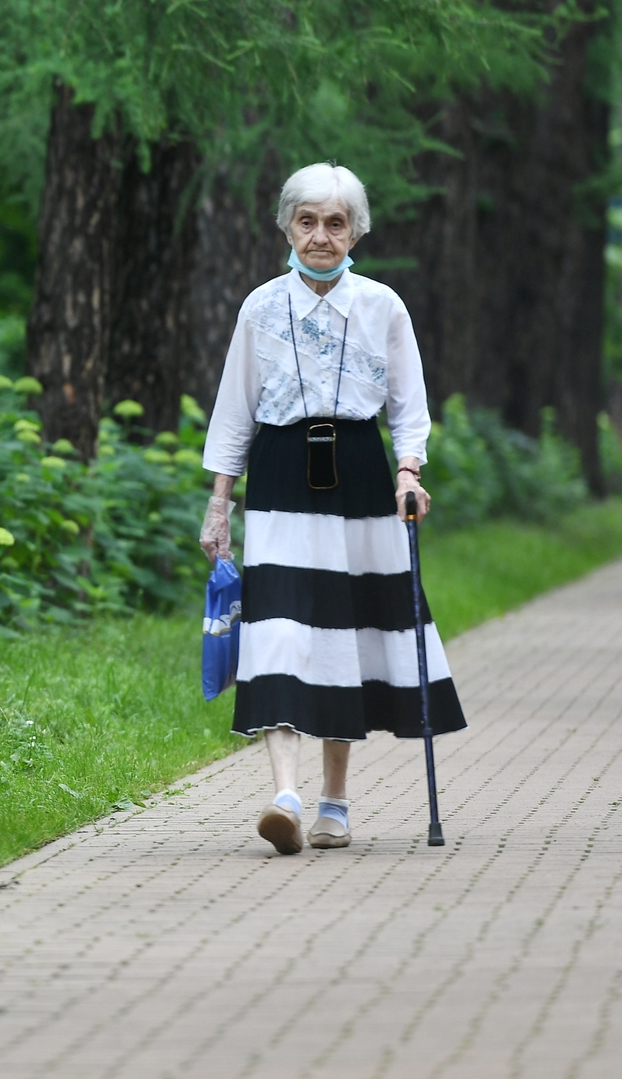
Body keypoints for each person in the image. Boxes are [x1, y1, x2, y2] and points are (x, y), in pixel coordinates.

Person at [198, 163, 467, 856]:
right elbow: (235, 412)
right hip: (282, 474)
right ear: (288, 225)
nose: (320, 236)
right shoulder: (260, 307)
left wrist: (409, 471)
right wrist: (219, 505)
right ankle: (284, 795)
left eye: (336, 222)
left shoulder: (383, 306)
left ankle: (335, 804)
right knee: (279, 631)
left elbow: (410, 406)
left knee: (345, 635)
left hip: (359, 474)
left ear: (356, 232)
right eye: (308, 221)